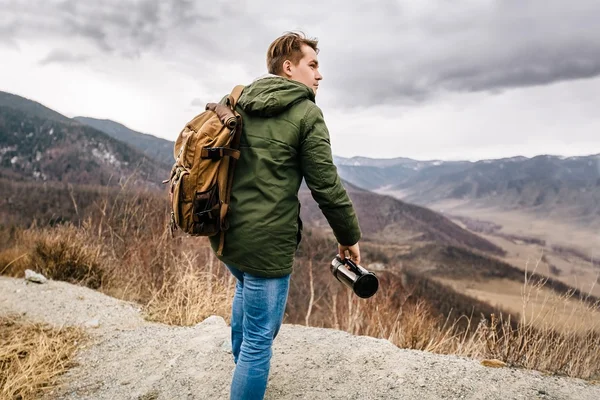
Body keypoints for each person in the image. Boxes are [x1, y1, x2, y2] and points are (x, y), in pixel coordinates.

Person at [209, 31, 362, 400]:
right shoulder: (307, 113)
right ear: (289, 68)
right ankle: (246, 371)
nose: (319, 75)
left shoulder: (238, 99)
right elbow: (326, 187)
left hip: (225, 232)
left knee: (244, 287)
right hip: (266, 242)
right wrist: (349, 239)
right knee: (260, 340)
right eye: (313, 65)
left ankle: (240, 365)